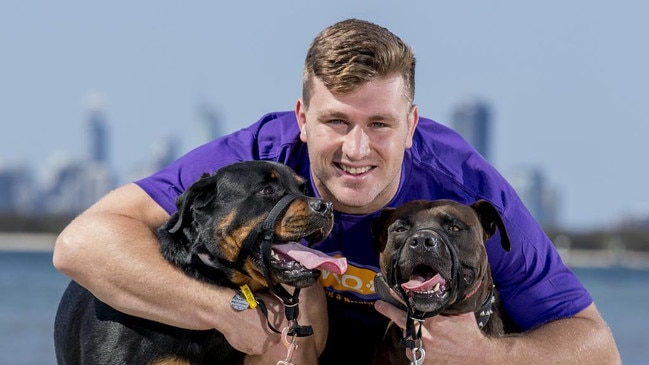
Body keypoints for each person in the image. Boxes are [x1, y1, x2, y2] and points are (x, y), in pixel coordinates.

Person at [53, 18, 621, 364]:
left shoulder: (463, 195)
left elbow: (597, 349)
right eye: (335, 122)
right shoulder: (259, 163)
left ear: (412, 124)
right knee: (291, 301)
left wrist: (487, 356)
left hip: (419, 354)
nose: (356, 150)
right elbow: (80, 245)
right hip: (297, 342)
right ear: (301, 117)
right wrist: (225, 311)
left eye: (379, 125)